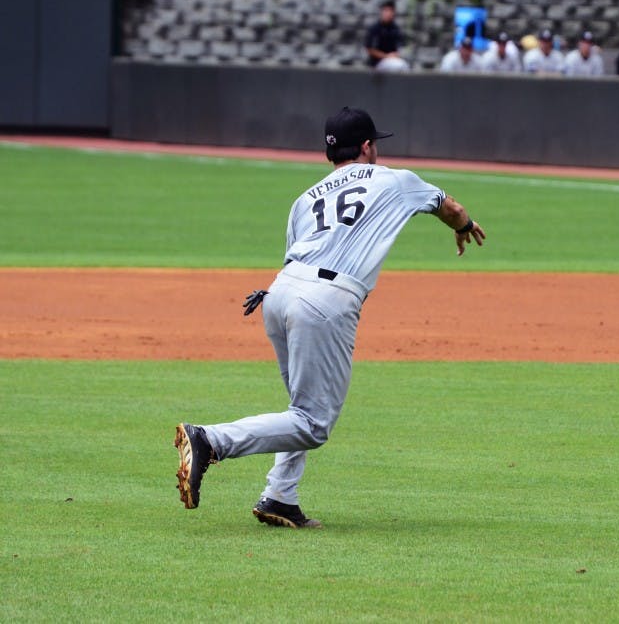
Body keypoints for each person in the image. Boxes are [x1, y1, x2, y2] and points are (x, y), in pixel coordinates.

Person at [173, 107, 487, 528]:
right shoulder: (394, 180)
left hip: (279, 294)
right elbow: (449, 207)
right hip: (325, 301)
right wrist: (464, 224)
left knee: (300, 407)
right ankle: (211, 440)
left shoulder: (305, 199)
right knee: (312, 424)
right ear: (368, 146)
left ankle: (280, 497)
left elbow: (292, 255)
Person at [364, 0, 409, 72]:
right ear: (381, 12)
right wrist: (386, 56)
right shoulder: (375, 28)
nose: (388, 13)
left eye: (390, 11)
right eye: (385, 10)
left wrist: (396, 54)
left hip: (392, 60)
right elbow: (370, 49)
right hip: (377, 62)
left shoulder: (395, 28)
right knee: (399, 66)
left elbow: (401, 46)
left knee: (404, 65)